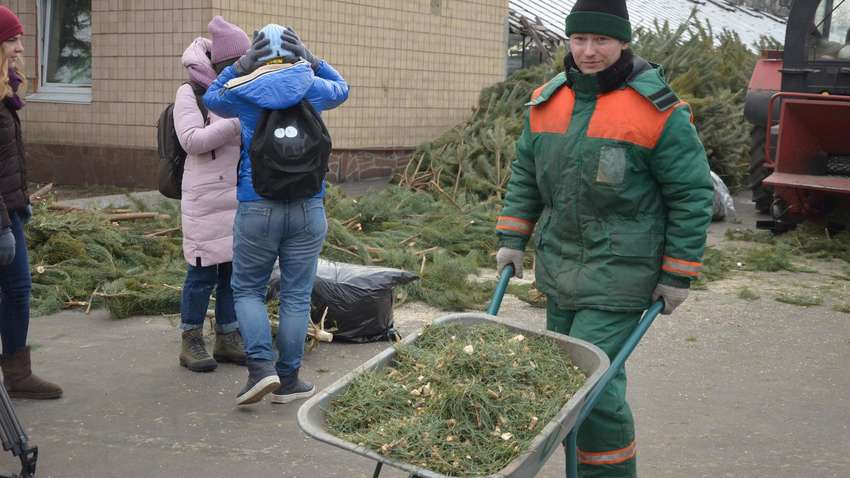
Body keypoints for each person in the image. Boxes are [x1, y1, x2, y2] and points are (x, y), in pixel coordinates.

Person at [494, 1, 713, 476]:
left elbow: (692, 194)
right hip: (559, 268)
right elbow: (526, 174)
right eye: (579, 39)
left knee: (587, 385)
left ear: (623, 42)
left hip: (621, 271)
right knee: (568, 381)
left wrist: (678, 272)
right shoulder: (549, 101)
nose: (588, 51)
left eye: (602, 40)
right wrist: (512, 236)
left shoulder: (657, 111)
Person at [205, 24, 349, 406]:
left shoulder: (244, 90)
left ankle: (260, 369)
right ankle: (288, 380)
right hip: (308, 206)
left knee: (248, 290)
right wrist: (314, 60)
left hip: (258, 206)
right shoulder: (313, 87)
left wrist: (238, 67)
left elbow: (211, 97)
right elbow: (343, 88)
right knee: (296, 295)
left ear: (256, 53)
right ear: (294, 50)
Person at [173, 16, 251, 372]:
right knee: (202, 272)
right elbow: (191, 140)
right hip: (204, 199)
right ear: (223, 63)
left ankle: (227, 337)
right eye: (239, 62)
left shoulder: (240, 91)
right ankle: (190, 339)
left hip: (237, 196)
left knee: (232, 272)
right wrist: (237, 123)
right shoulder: (190, 92)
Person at [0, 6, 62, 399]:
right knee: (15, 290)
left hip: (11, 210)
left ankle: (18, 374)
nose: (21, 48)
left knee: (19, 290)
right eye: (12, 39)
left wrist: (20, 201)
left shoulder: (6, 92)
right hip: (1, 216)